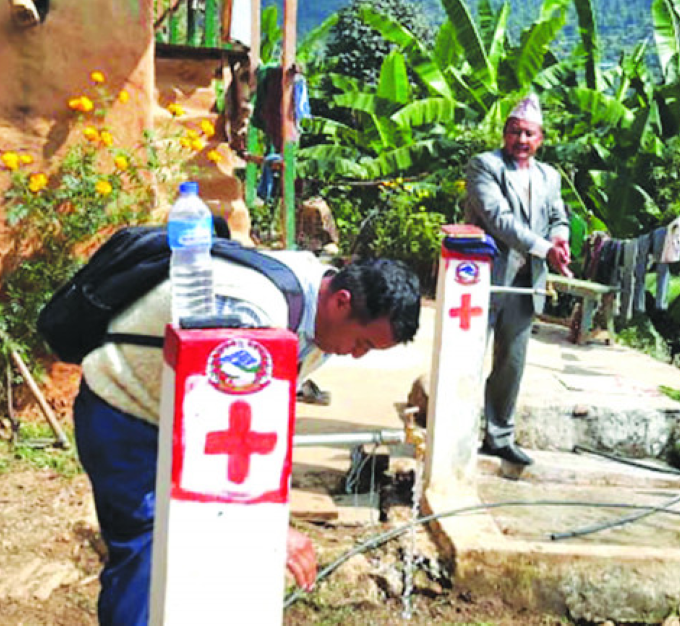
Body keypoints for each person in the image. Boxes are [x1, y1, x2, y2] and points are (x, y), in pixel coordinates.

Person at [73, 252, 422, 626]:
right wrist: (269, 524)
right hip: (126, 411)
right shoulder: (252, 315)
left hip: (178, 419)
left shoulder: (316, 313)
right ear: (342, 302)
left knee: (195, 556)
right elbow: (218, 428)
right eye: (362, 343)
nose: (355, 355)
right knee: (145, 556)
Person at [464, 93, 572, 467]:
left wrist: (561, 238)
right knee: (468, 358)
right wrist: (546, 248)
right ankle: (457, 432)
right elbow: (499, 219)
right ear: (504, 133)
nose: (520, 140)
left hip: (527, 281)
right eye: (514, 132)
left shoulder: (550, 176)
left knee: (512, 362)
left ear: (540, 139)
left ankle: (499, 436)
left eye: (528, 134)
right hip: (481, 278)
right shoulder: (484, 166)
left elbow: (559, 216)